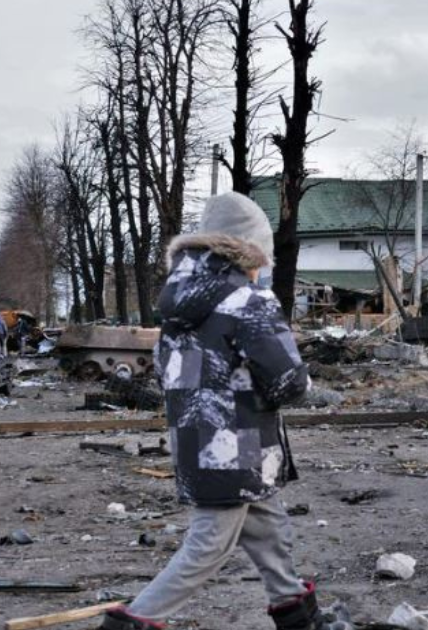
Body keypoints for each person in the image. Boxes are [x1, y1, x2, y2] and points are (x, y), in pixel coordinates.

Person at [99, 192, 349, 630]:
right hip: (238, 447)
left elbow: (173, 374)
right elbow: (287, 381)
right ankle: (132, 622)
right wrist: (315, 391)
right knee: (209, 545)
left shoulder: (178, 307)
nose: (263, 268)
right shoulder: (248, 301)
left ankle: (296, 613)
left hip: (195, 440)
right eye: (262, 258)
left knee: (268, 530)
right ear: (247, 251)